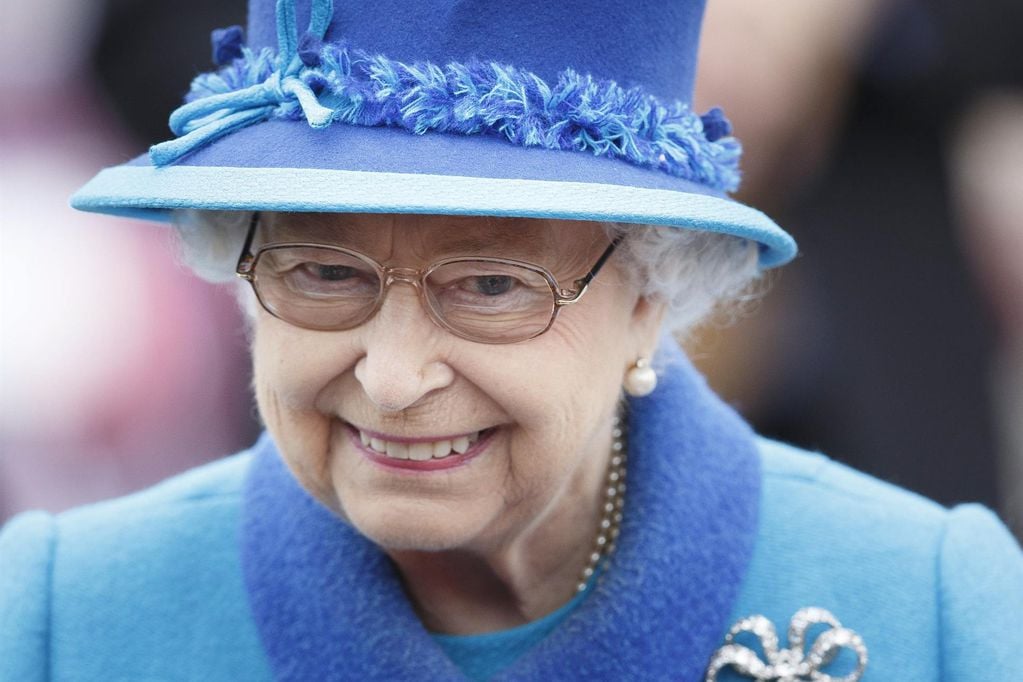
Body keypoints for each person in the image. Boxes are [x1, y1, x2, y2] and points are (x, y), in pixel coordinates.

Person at [1, 1, 1020, 680]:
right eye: (322, 272)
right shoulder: (60, 620)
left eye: (491, 284)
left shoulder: (936, 610)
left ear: (649, 295)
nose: (394, 378)